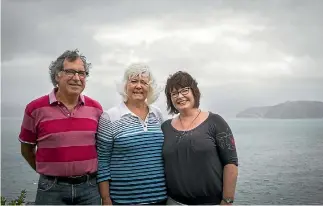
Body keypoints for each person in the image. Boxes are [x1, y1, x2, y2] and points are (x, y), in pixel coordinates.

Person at [18, 49, 103, 205]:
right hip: (51, 190)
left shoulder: (96, 109)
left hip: (89, 189)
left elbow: (101, 148)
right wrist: (49, 172)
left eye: (82, 73)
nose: (77, 78)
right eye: (70, 72)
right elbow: (26, 149)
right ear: (57, 75)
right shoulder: (35, 109)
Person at [162, 71, 239, 205]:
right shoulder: (165, 128)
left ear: (194, 92)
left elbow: (230, 163)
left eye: (184, 90)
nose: (180, 96)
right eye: (174, 93)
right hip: (173, 202)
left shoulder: (215, 122)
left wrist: (227, 200)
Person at [96, 63, 167, 205]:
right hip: (123, 200)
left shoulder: (157, 114)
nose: (139, 86)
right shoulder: (110, 117)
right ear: (125, 85)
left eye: (144, 82)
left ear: (150, 87)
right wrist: (105, 198)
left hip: (160, 199)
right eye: (134, 81)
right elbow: (102, 161)